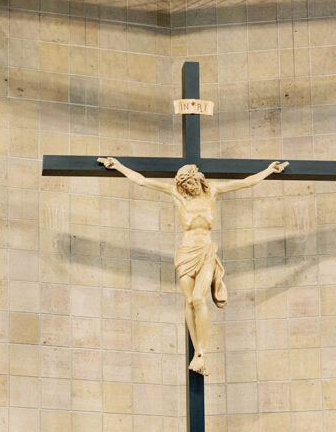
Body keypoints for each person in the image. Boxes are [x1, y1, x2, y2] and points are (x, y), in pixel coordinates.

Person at [98, 157, 289, 375]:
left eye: (190, 183)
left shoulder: (212, 192)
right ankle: (197, 352)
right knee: (189, 301)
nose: (188, 187)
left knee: (199, 298)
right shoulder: (177, 194)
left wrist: (268, 170)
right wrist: (119, 166)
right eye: (185, 185)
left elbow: (246, 182)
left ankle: (202, 352)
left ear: (198, 179)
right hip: (186, 253)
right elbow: (142, 181)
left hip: (206, 252)